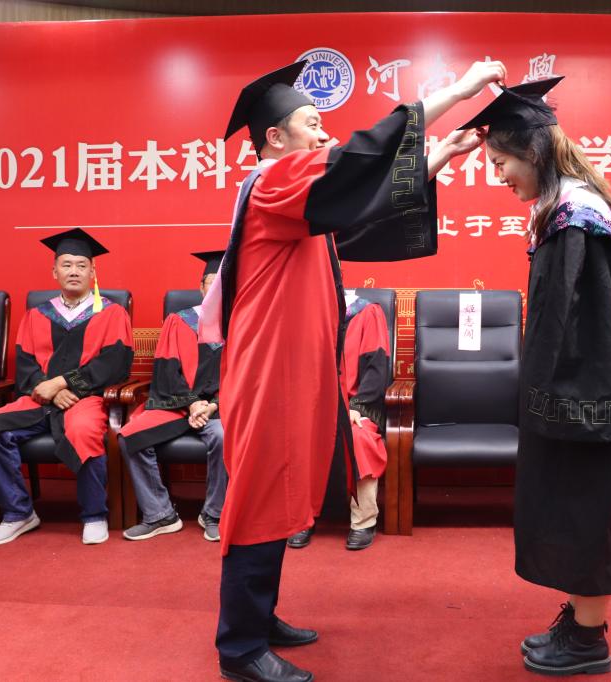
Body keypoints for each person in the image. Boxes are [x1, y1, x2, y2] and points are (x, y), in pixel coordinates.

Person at [203, 60, 505, 682]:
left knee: (282, 489)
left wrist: (437, 158)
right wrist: (456, 91)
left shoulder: (294, 201)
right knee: (259, 496)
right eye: (312, 124)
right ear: (274, 138)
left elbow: (359, 218)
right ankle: (239, 647)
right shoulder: (273, 181)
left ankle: (260, 617)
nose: (325, 135)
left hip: (292, 369)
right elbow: (358, 161)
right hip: (268, 372)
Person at [467, 77, 611, 676]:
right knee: (579, 511)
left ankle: (588, 640)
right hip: (584, 390)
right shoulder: (567, 211)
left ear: (533, 151)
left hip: (591, 396)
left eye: (500, 162)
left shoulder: (578, 221)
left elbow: (589, 325)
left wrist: (563, 401)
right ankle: (579, 621)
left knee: (590, 510)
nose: (499, 176)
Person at [0, 229, 133, 546]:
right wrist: (49, 390)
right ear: (55, 271)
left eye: (81, 265)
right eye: (66, 265)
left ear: (93, 271)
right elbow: (25, 365)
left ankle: (94, 515)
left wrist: (63, 383)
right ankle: (19, 513)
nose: (74, 271)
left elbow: (114, 364)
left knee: (83, 431)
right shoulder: (36, 315)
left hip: (86, 398)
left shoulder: (112, 313)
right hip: (40, 397)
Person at [120, 251, 226, 542]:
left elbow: (245, 378)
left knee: (224, 437)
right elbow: (167, 372)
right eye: (212, 281)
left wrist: (213, 405)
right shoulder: (179, 321)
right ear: (201, 287)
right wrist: (192, 403)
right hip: (177, 404)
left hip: (221, 408)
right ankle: (160, 514)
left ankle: (214, 513)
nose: (218, 288)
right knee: (130, 435)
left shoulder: (243, 324)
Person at [290, 291, 391, 551]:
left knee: (358, 437)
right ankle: (302, 517)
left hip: (358, 405)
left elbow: (377, 367)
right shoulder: (307, 315)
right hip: (315, 406)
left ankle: (364, 520)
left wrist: (356, 407)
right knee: (298, 436)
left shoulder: (367, 313)